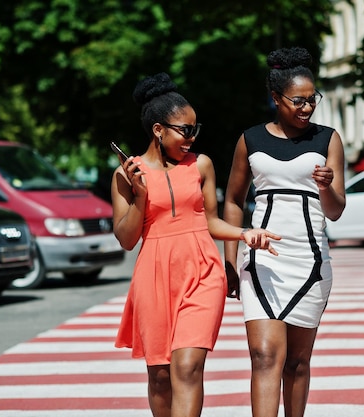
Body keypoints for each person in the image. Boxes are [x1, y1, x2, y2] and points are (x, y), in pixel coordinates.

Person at [110, 72, 280, 417]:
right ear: (159, 130)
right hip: (153, 275)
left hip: (202, 272)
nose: (192, 137)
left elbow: (210, 220)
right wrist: (140, 197)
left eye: (195, 129)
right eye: (185, 130)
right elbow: (127, 239)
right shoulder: (127, 175)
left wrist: (245, 233)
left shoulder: (200, 164)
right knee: (160, 376)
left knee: (187, 367)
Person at [223, 47, 346, 417]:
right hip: (261, 262)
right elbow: (232, 200)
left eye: (312, 100)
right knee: (263, 356)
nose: (307, 108)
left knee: (296, 363)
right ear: (276, 98)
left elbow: (336, 211)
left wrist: (326, 186)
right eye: (298, 100)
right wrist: (231, 261)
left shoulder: (328, 139)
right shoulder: (251, 139)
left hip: (310, 262)